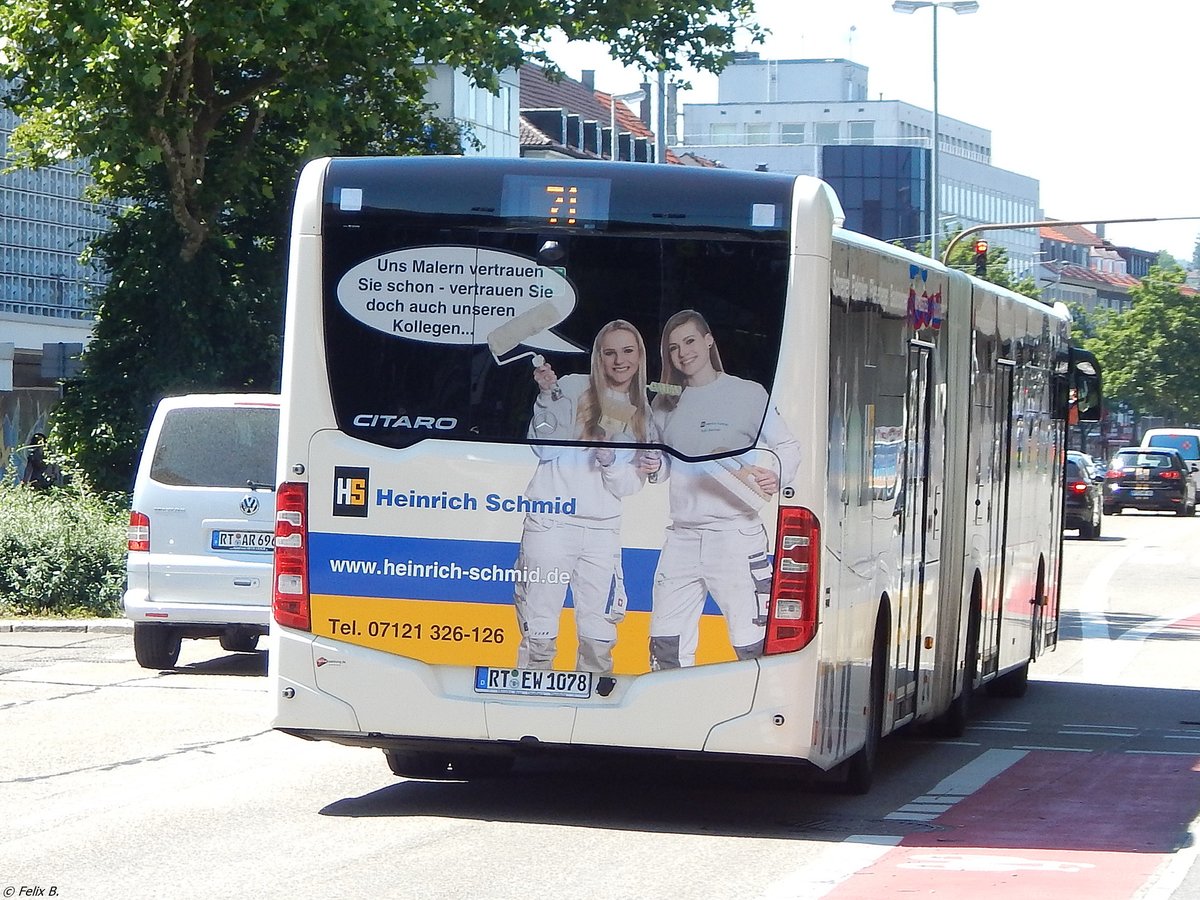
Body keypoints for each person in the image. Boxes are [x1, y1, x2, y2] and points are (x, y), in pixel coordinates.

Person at [645, 309, 800, 669]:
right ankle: (671, 719)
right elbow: (665, 465)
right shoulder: (665, 403)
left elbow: (787, 447)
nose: (683, 353)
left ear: (708, 340)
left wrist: (774, 474)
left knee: (751, 643)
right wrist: (654, 466)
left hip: (735, 536)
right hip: (682, 537)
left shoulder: (746, 394)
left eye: (690, 341)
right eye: (673, 348)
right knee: (666, 644)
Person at [513, 319, 657, 674]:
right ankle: (529, 703)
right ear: (598, 356)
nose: (618, 361)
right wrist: (547, 397)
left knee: (598, 629)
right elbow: (542, 449)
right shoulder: (573, 387)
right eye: (610, 352)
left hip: (602, 532)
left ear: (639, 356)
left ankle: (590, 707)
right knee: (540, 621)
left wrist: (610, 463)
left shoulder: (643, 412)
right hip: (551, 522)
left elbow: (629, 487)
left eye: (627, 351)